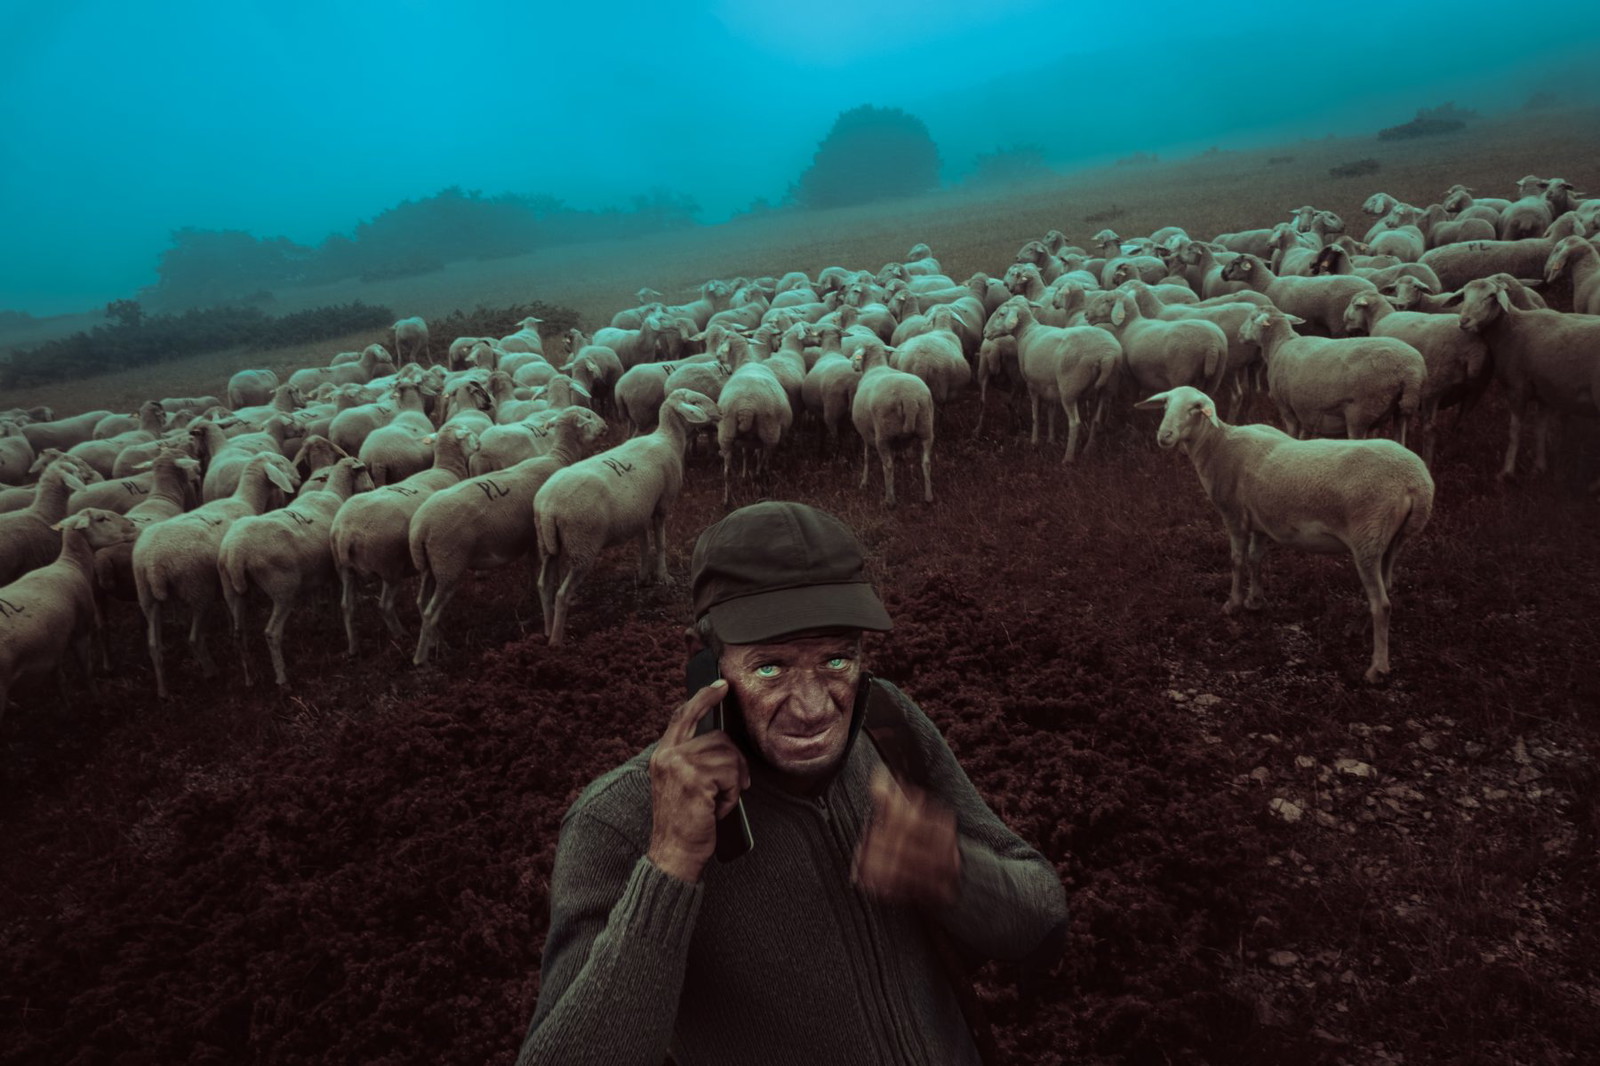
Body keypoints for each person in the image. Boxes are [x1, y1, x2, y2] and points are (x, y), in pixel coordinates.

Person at [516, 500, 1068, 1065]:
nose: (812, 709)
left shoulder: (888, 726)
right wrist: (670, 865)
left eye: (835, 660)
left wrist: (956, 874)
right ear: (705, 664)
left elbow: (1043, 919)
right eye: (769, 667)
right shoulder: (618, 819)